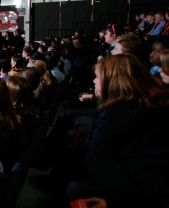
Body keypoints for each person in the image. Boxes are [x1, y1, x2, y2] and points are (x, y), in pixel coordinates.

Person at [65, 54, 169, 208]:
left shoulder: (121, 108)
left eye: (97, 78)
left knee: (84, 155)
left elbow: (97, 147)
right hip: (153, 179)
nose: (94, 81)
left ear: (111, 82)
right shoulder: (145, 99)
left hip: (147, 185)